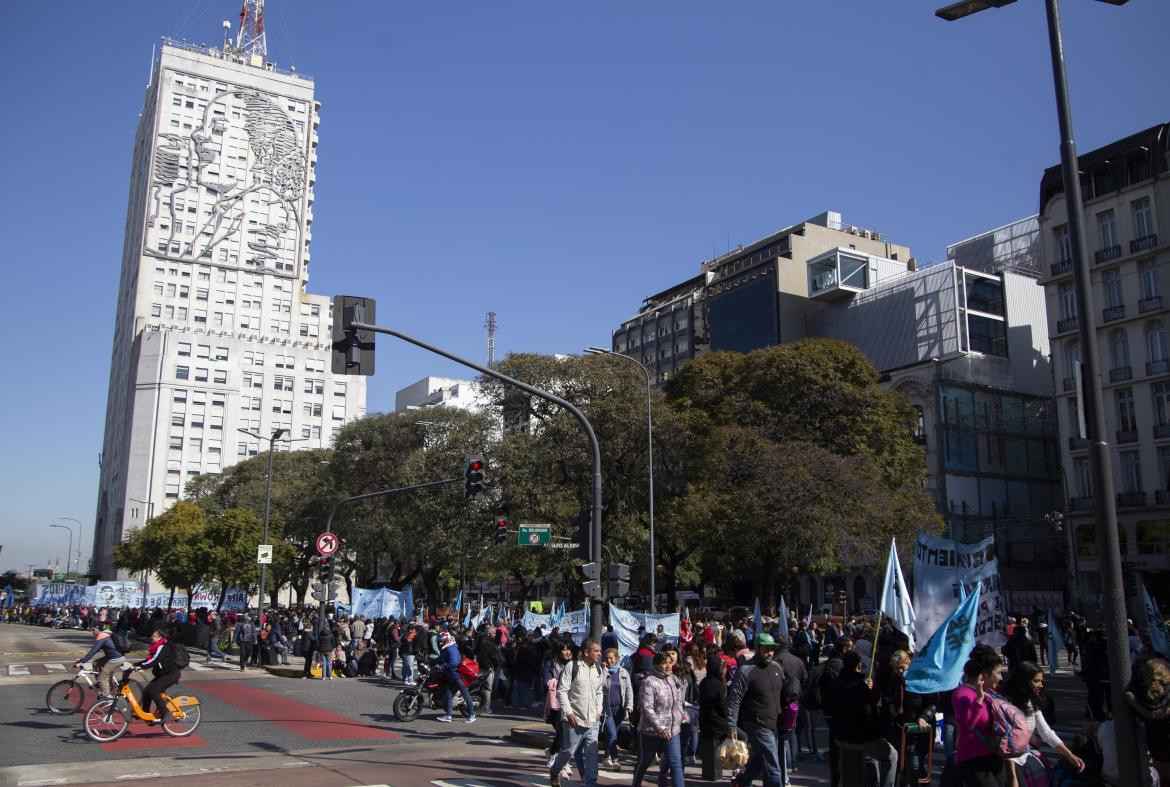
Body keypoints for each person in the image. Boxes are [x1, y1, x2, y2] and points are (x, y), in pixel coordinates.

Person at [1002, 661, 1085, 782]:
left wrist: (1069, 755)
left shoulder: (1030, 703)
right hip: (1010, 765)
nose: (1041, 685)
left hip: (1025, 758)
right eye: (1036, 681)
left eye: (1041, 681)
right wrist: (1013, 776)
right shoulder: (1005, 705)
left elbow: (1046, 733)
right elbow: (1007, 743)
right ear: (1023, 681)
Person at [727, 631, 787, 787]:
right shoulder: (746, 670)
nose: (769, 653)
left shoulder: (776, 667)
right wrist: (731, 725)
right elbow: (734, 700)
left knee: (761, 759)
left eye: (772, 649)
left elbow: (783, 694)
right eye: (766, 649)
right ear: (757, 648)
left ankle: (742, 781)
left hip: (775, 722)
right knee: (773, 766)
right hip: (757, 723)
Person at [830, 650, 897, 787]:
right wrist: (878, 733)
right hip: (859, 738)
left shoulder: (837, 683)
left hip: (840, 735)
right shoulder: (860, 687)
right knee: (892, 755)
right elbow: (869, 714)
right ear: (859, 665)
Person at [550, 637, 605, 787]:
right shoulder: (572, 667)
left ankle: (591, 782)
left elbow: (599, 692)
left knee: (592, 753)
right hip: (573, 720)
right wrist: (569, 713)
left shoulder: (598, 669)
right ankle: (555, 770)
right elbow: (562, 691)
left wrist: (598, 711)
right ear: (586, 652)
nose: (600, 654)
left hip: (592, 721)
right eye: (596, 651)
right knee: (568, 752)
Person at [954, 644, 1008, 786]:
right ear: (984, 674)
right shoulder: (963, 693)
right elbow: (966, 725)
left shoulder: (992, 695)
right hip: (973, 760)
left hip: (994, 755)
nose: (1001, 677)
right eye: (998, 673)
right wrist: (978, 699)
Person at [631, 649, 686, 787]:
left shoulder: (674, 679)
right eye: (664, 663)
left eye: (669, 663)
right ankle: (636, 784)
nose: (668, 666)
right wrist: (660, 728)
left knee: (675, 763)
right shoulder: (649, 682)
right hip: (651, 732)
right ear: (656, 664)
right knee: (644, 762)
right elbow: (647, 708)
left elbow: (678, 702)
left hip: (672, 731)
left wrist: (681, 716)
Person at [134, 627, 182, 725]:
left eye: (154, 636)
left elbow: (155, 660)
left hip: (171, 674)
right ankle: (147, 715)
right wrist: (136, 665)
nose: (151, 637)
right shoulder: (155, 646)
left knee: (154, 691)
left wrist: (141, 667)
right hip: (163, 674)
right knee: (147, 691)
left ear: (160, 637)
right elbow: (149, 660)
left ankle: (166, 713)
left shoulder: (163, 647)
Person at [699, 650, 731, 781]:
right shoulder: (718, 685)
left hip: (705, 721)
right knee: (743, 737)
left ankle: (709, 773)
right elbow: (722, 706)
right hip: (717, 723)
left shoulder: (703, 683)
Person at [600, 646, 634, 771]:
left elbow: (629, 691)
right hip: (606, 710)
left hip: (619, 710)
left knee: (611, 735)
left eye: (611, 658)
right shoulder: (602, 671)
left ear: (617, 658)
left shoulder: (623, 672)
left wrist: (629, 705)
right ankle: (615, 760)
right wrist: (604, 669)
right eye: (606, 658)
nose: (609, 661)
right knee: (613, 734)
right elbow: (600, 684)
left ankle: (606, 757)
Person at [437, 630, 477, 723]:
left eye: (441, 641)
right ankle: (448, 715)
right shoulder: (447, 648)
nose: (440, 643)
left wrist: (443, 666)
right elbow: (440, 658)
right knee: (449, 694)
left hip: (458, 676)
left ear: (446, 640)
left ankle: (472, 715)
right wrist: (431, 661)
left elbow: (454, 662)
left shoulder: (451, 649)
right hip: (452, 676)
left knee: (465, 695)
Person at [75, 626, 125, 699]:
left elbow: (93, 651)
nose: (93, 632)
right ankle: (100, 684)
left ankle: (108, 698)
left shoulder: (101, 638)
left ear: (98, 630)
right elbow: (94, 651)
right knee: (96, 663)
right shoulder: (106, 635)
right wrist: (82, 660)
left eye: (94, 630)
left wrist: (82, 661)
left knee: (101, 678)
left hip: (115, 659)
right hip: (112, 657)